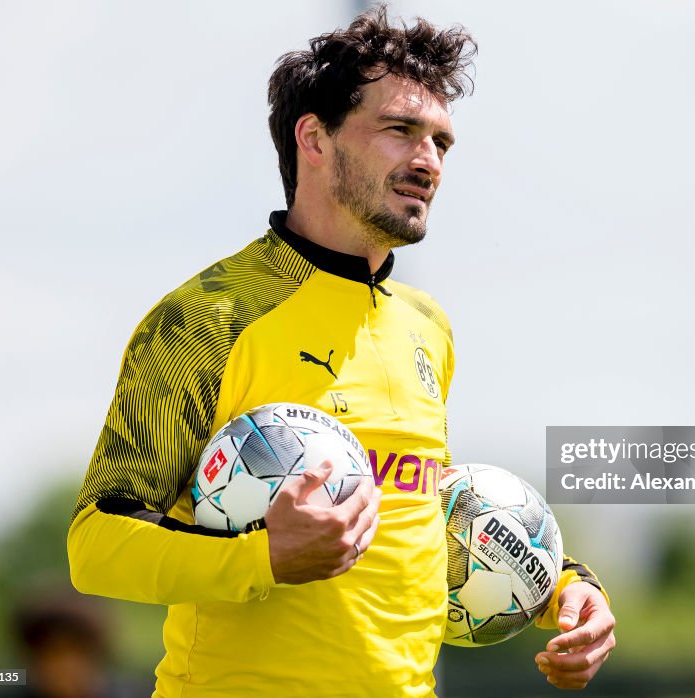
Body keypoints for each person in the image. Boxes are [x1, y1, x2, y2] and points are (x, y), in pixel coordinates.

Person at [68, 6, 615, 696]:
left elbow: (425, 507)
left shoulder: (428, 327)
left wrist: (565, 586)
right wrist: (263, 556)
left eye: (441, 143)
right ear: (315, 139)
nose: (429, 161)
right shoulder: (205, 318)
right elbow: (95, 547)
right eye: (400, 131)